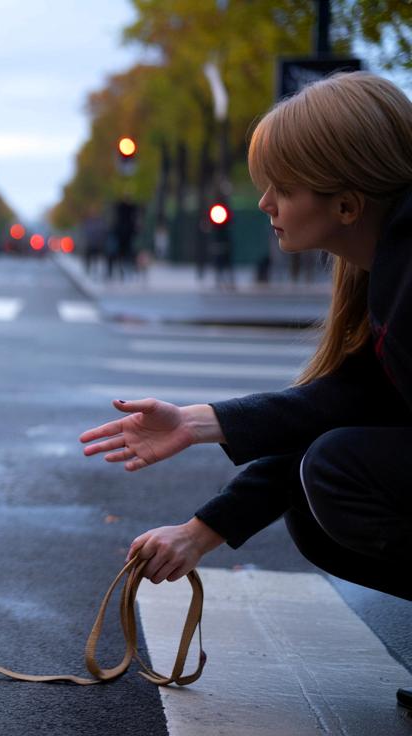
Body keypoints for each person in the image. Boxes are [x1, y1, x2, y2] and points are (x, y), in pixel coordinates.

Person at [79, 72, 411, 704]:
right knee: (312, 502)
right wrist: (202, 528)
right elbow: (345, 403)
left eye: (282, 189)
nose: (265, 205)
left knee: (336, 471)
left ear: (347, 204)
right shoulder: (388, 270)